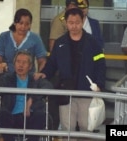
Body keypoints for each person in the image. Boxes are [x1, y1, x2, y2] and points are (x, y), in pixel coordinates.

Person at [39, 8, 106, 141]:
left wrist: (99, 84)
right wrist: (43, 74)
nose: (74, 26)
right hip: (65, 91)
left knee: (86, 127)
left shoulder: (93, 43)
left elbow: (101, 65)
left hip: (86, 91)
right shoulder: (60, 43)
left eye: (77, 22)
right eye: (71, 23)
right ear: (66, 23)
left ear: (82, 22)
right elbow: (52, 64)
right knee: (67, 127)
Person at [0, 50, 53, 141]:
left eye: (24, 62)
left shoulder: (35, 78)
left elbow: (49, 87)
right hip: (12, 115)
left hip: (30, 115)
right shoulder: (8, 78)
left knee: (41, 115)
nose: (20, 65)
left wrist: (31, 99)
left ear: (30, 66)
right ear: (14, 64)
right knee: (3, 115)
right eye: (18, 62)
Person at [0, 8, 47, 74]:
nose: (23, 27)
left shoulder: (35, 38)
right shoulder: (4, 37)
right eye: (21, 23)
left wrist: (39, 74)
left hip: (28, 79)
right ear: (15, 22)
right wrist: (0, 67)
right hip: (6, 77)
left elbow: (42, 60)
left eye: (27, 24)